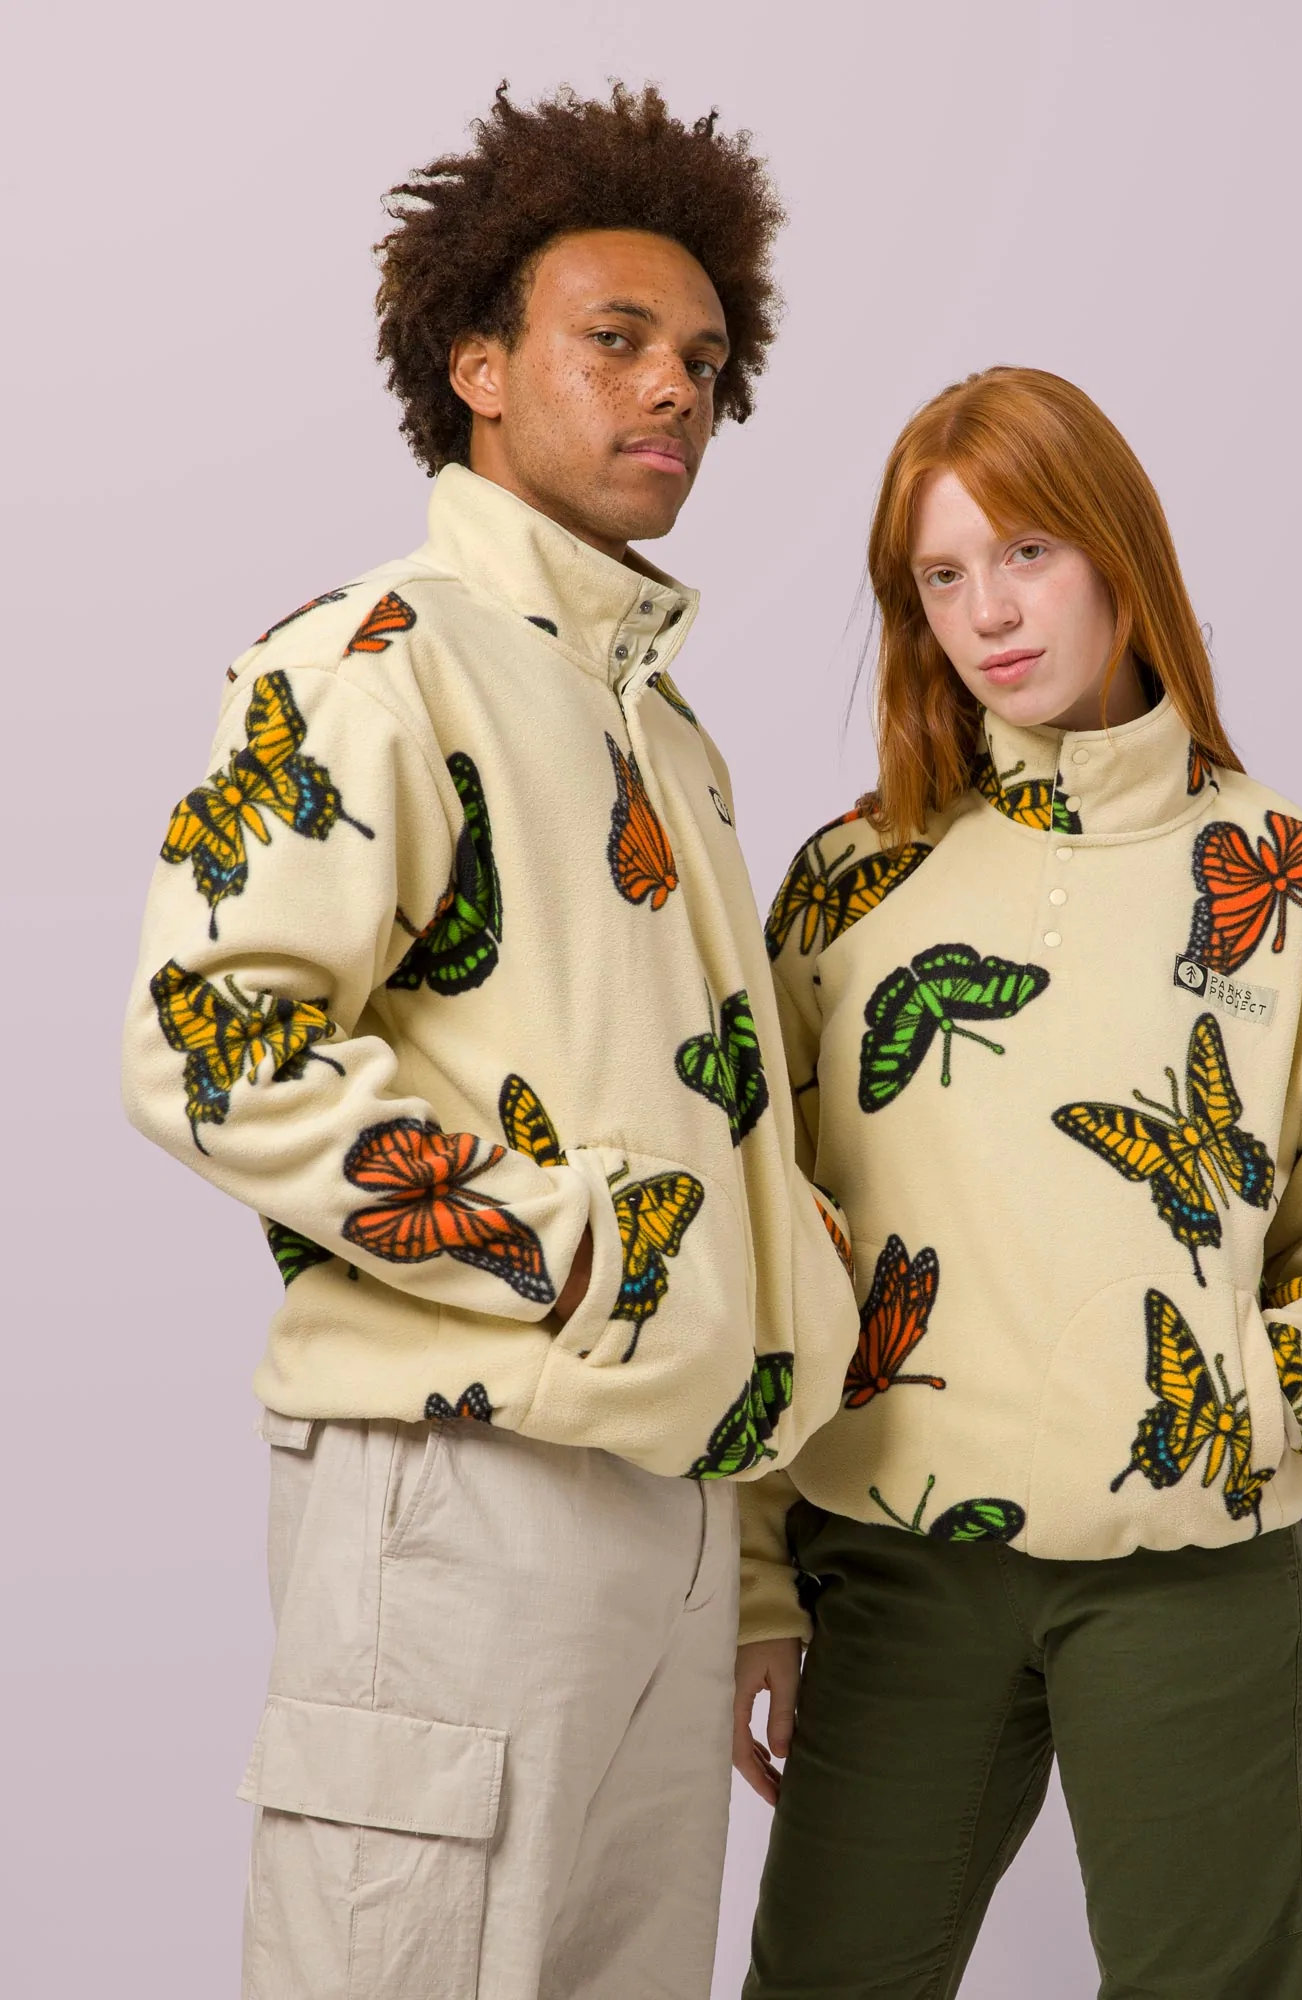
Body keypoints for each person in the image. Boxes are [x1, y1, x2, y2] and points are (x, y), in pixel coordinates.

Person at [121, 83, 858, 2000]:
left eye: (705, 359)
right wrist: (574, 1250)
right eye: (616, 340)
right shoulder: (377, 660)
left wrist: (750, 1567)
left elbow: (734, 1154)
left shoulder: (666, 738)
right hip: (466, 1484)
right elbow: (210, 1044)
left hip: (665, 1511)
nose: (674, 388)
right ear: (477, 368)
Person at [733, 366, 1302, 1999]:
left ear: (1116, 553)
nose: (988, 614)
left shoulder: (1294, 883)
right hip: (896, 1563)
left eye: (1026, 553)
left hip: (1190, 1577)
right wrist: (757, 1586)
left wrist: (1262, 1405)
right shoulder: (853, 880)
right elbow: (773, 1240)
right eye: (941, 577)